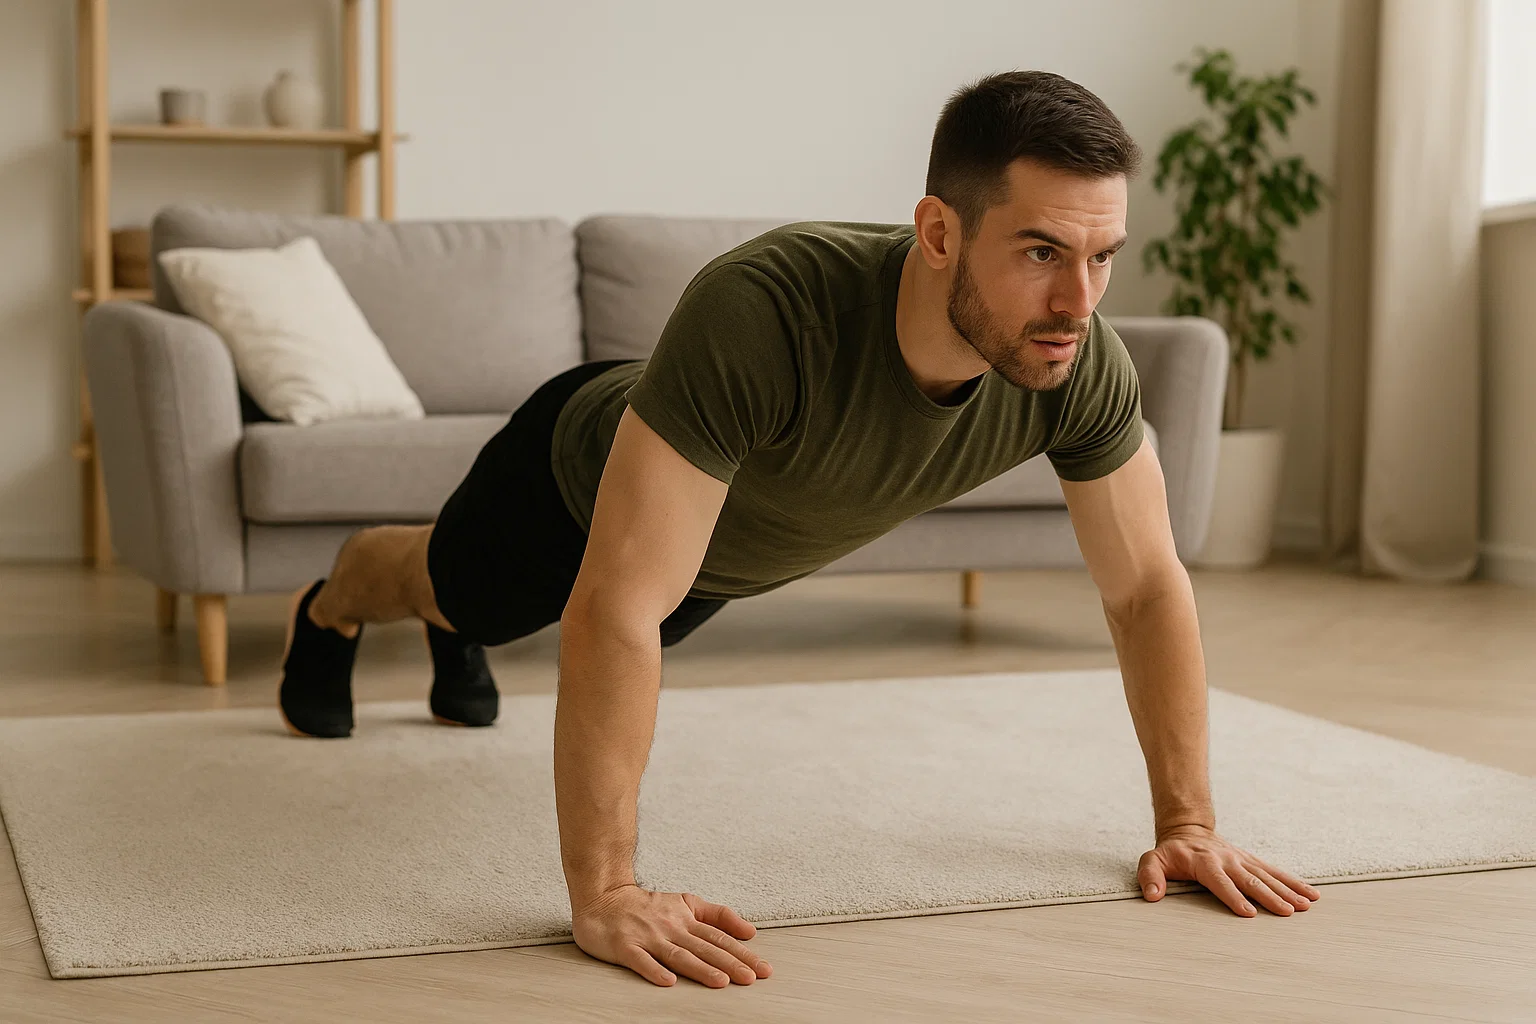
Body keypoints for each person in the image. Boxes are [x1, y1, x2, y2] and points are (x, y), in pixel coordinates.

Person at [276, 69, 1322, 990]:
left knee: (607, 615)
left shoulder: (1074, 361)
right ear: (939, 231)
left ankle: (455, 633)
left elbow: (1145, 588)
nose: (1076, 301)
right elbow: (616, 604)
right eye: (1042, 250)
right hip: (575, 476)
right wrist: (608, 893)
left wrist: (1188, 824)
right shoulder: (770, 311)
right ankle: (334, 603)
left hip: (714, 553)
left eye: (1103, 256)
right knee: (458, 589)